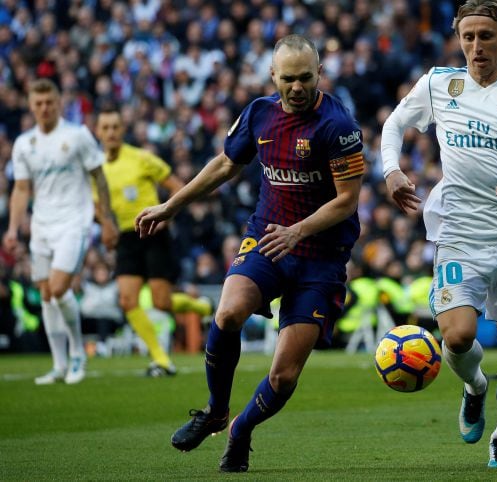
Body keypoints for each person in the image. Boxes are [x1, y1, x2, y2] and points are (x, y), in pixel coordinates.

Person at [135, 35, 363, 472]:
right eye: (289, 78)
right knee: (227, 314)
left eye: (306, 78)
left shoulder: (339, 126)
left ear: (320, 75)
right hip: (267, 237)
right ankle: (216, 410)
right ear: (273, 76)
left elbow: (347, 200)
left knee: (284, 376)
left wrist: (298, 231)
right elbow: (225, 164)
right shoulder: (259, 113)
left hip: (321, 255)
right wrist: (170, 206)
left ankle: (240, 429)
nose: (297, 87)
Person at [381, 0, 497, 468]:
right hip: (460, 234)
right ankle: (475, 386)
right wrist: (391, 170)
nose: (476, 46)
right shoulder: (442, 83)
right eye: (468, 37)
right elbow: (395, 122)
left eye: (486, 36)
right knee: (458, 337)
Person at [2, 78, 118, 385]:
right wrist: (13, 228)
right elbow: (21, 189)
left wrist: (105, 219)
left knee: (57, 287)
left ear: (58, 103)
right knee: (45, 295)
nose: (44, 108)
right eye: (38, 103)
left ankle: (78, 353)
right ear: (30, 105)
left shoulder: (78, 135)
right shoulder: (24, 144)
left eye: (49, 102)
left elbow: (99, 178)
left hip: (74, 223)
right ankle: (58, 364)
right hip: (41, 226)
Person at [94, 106, 185, 376]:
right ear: (98, 132)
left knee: (161, 302)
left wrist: (167, 216)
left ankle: (197, 305)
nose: (110, 132)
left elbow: (178, 187)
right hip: (125, 237)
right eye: (105, 127)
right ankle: (161, 359)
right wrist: (105, 226)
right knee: (127, 300)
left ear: (123, 130)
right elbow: (98, 205)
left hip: (153, 232)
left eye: (115, 127)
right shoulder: (96, 169)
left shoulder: (142, 158)